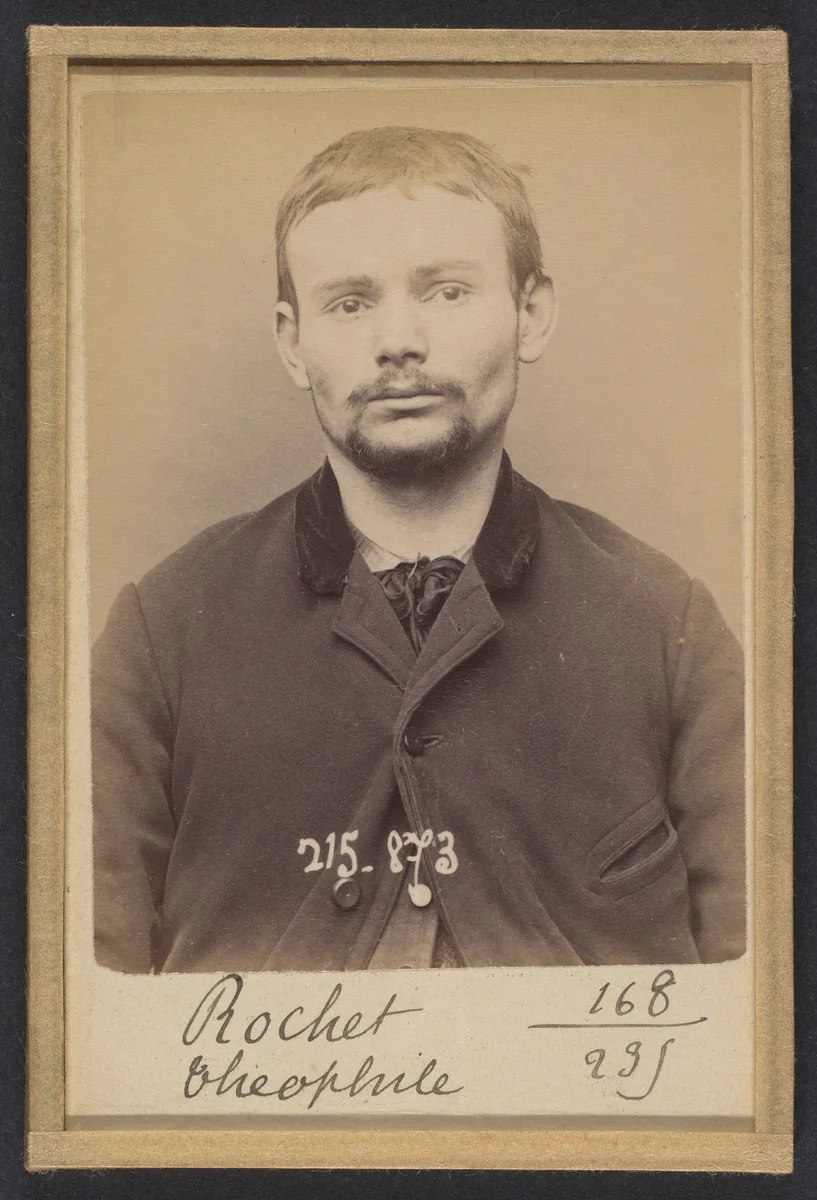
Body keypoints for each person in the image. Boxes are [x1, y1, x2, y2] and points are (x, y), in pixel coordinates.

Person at [92, 126, 745, 974]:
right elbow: (80, 998)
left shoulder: (665, 626)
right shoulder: (163, 630)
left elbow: (761, 998)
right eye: (349, 302)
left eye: (445, 291)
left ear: (530, 314)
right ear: (292, 342)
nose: (397, 340)